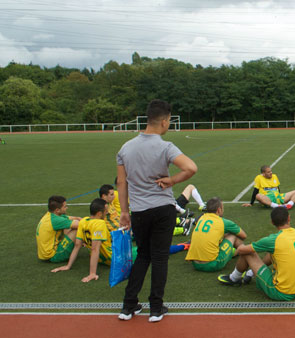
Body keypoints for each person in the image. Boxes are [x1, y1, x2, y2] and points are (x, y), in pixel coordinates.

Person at [116, 99, 197, 323]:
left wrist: (124, 211)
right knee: (160, 259)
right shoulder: (165, 146)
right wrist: (172, 180)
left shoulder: (125, 148)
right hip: (162, 209)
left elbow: (121, 184)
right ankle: (156, 307)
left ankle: (128, 305)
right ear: (163, 121)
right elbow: (191, 168)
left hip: (139, 211)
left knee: (143, 255)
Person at [217, 207, 295, 301]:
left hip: (281, 292)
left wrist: (230, 244)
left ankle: (234, 278)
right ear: (289, 218)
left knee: (247, 252)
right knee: (275, 251)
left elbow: (242, 250)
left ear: (272, 222)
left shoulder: (273, 240)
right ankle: (250, 273)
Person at [50, 199, 112, 283]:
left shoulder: (83, 221)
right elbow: (95, 249)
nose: (107, 213)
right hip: (113, 258)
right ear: (99, 213)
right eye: (106, 211)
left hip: (100, 259)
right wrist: (92, 273)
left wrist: (68, 266)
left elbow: (77, 245)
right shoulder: (100, 223)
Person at [186, 197, 247, 272]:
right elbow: (244, 236)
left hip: (195, 264)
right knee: (232, 235)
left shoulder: (201, 218)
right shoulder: (223, 222)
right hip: (212, 264)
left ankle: (235, 251)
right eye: (222, 208)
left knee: (217, 235)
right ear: (219, 210)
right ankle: (244, 252)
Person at [36, 195, 80, 262]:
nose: (67, 208)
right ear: (57, 210)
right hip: (52, 256)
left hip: (44, 255)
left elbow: (76, 218)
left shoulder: (50, 216)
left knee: (69, 225)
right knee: (77, 229)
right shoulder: (56, 220)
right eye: (65, 206)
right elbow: (81, 225)